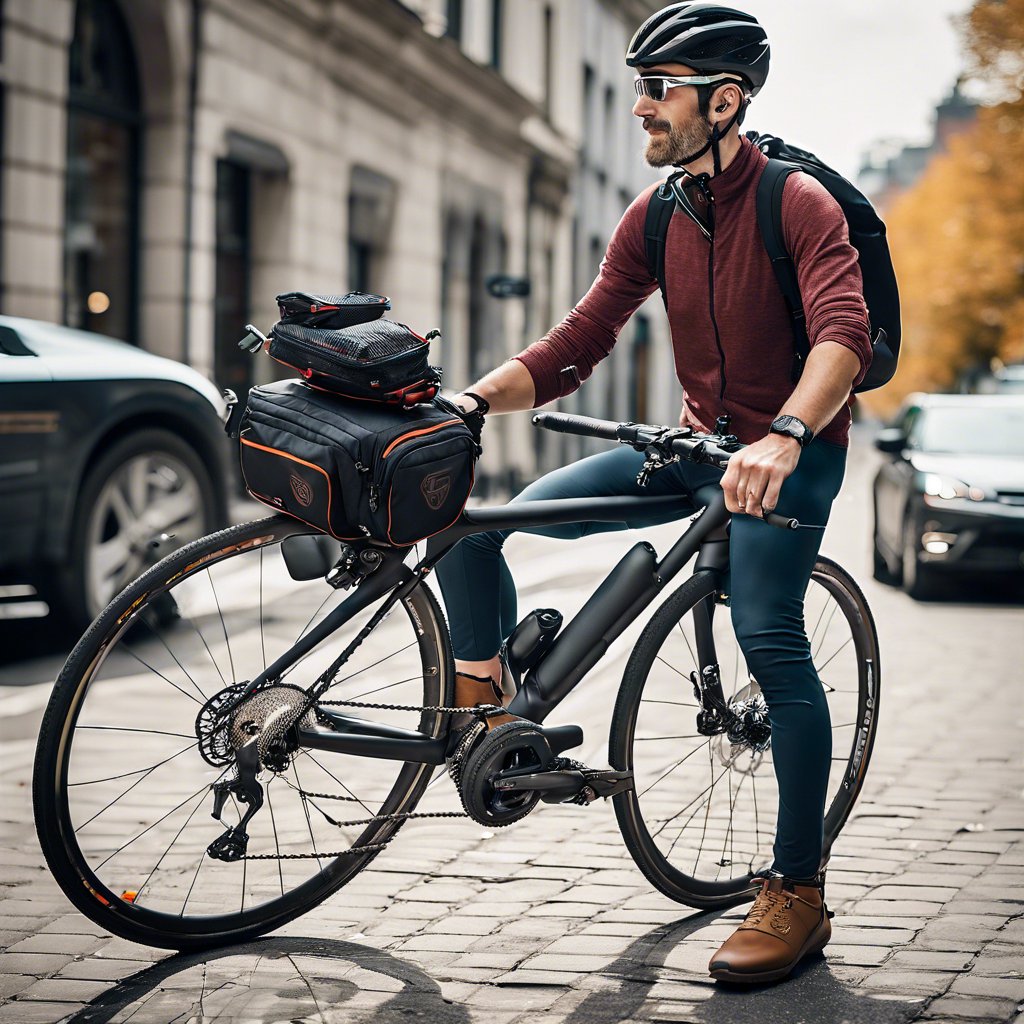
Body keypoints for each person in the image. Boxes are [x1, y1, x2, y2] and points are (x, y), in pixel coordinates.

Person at [437, 1, 872, 985]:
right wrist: (471, 401)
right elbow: (575, 344)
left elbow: (842, 336)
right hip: (691, 444)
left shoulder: (798, 204)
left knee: (768, 635)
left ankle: (796, 888)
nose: (639, 108)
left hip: (791, 452)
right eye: (636, 88)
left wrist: (787, 434)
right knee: (473, 523)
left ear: (724, 102)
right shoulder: (658, 213)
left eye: (656, 89)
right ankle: (484, 699)